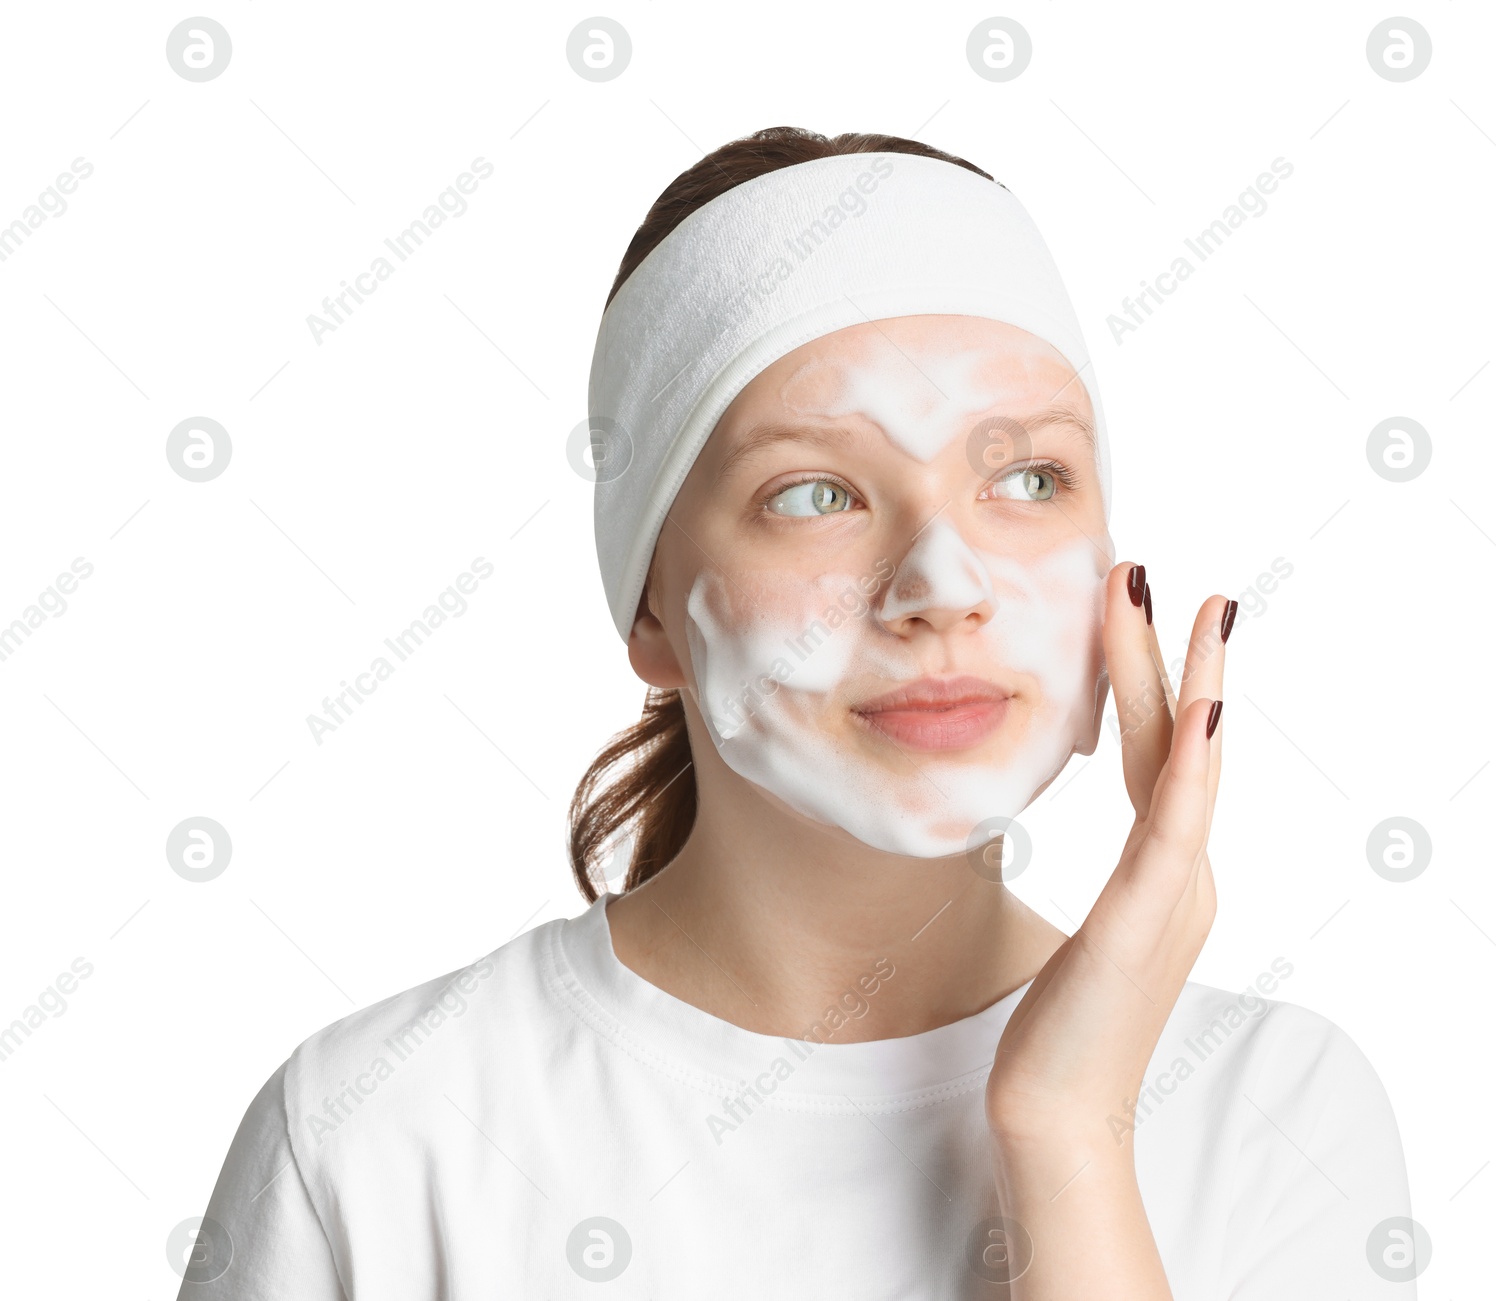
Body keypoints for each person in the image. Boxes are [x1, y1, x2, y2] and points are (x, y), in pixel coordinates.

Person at [178, 126, 1414, 1300]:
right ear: (650, 603)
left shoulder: (1275, 1110)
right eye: (816, 491)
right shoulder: (380, 1132)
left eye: (1027, 477)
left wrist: (1070, 1132)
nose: (943, 585)